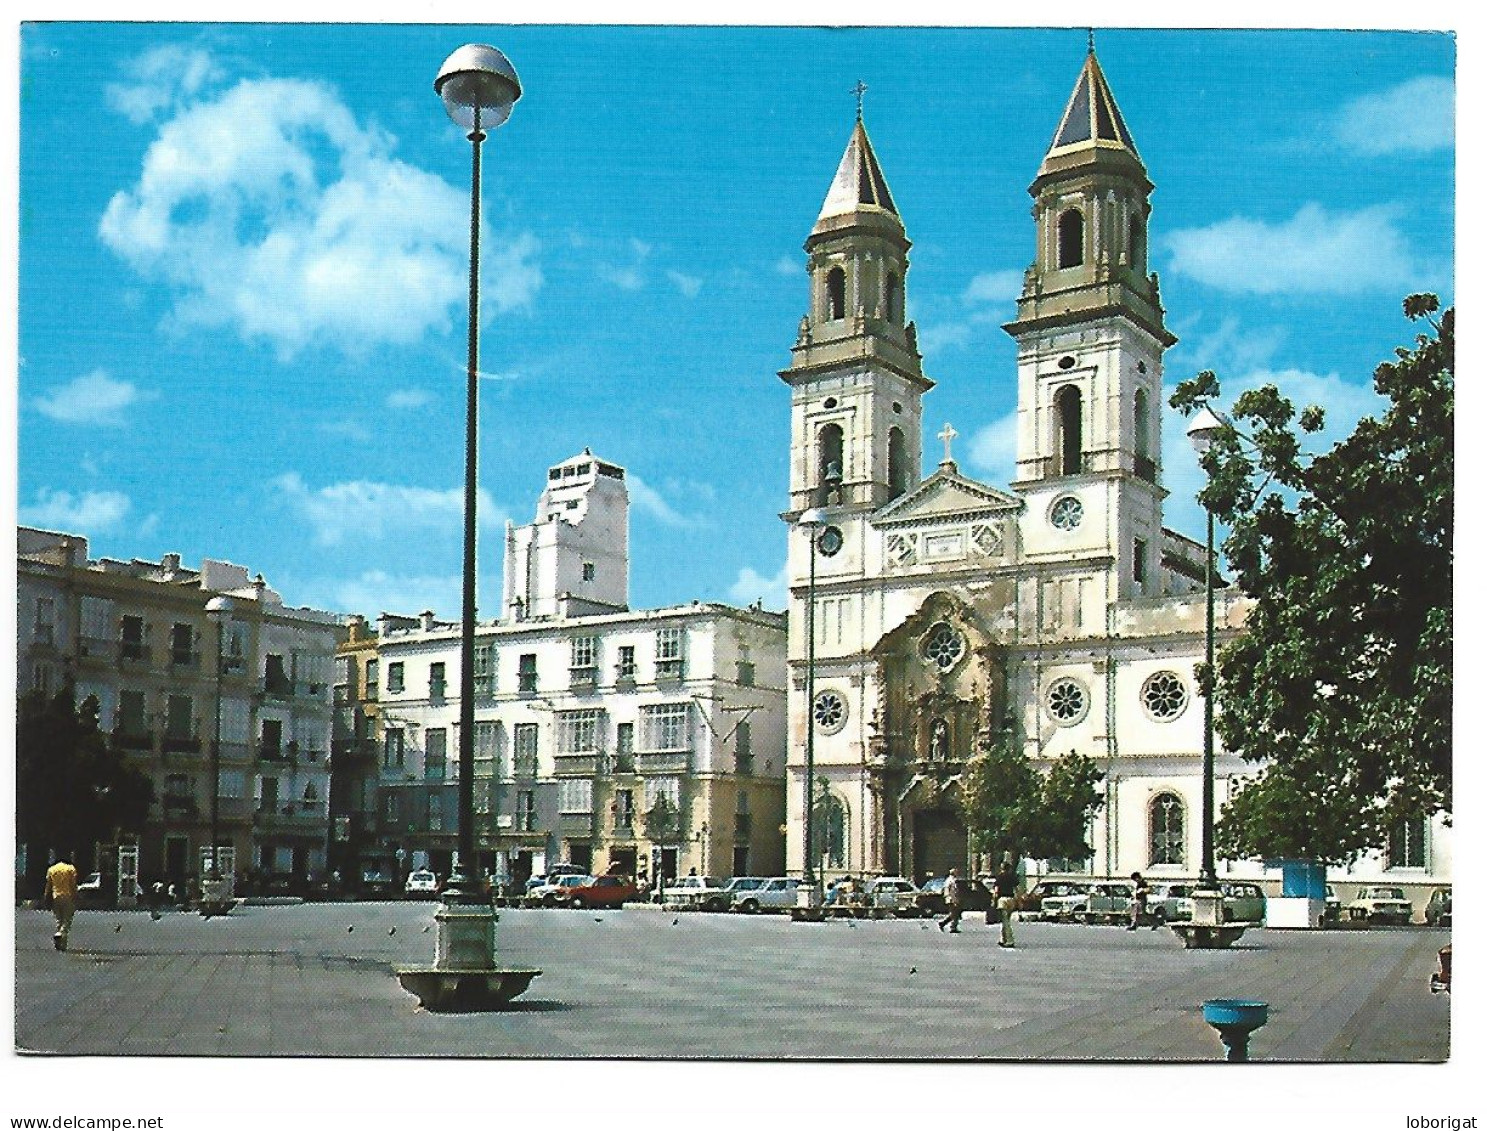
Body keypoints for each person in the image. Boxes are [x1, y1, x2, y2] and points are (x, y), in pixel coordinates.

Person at [44, 857, 79, 951]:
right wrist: (76, 897)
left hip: (55, 896)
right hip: (68, 897)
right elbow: (73, 885)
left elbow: (48, 886)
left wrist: (46, 897)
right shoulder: (70, 869)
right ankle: (60, 934)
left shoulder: (51, 869)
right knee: (67, 920)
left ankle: (61, 945)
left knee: (59, 919)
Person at [993, 861, 1019, 948]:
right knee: (1006, 920)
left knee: (1005, 921)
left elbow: (996, 891)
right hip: (1011, 899)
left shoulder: (999, 877)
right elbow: (1016, 890)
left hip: (1002, 900)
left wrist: (994, 900)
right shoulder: (1012, 877)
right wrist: (1018, 901)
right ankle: (1002, 939)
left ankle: (1009, 940)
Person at [938, 868, 963, 933]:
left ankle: (943, 923)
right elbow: (951, 891)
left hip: (950, 899)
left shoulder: (949, 880)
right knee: (955, 914)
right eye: (956, 872)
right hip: (951, 899)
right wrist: (953, 900)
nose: (957, 873)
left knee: (953, 914)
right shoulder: (951, 880)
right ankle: (952, 927)